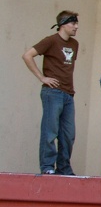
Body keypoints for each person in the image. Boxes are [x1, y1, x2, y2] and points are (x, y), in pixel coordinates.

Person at [22, 10, 80, 175]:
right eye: (73, 23)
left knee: (68, 134)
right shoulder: (51, 40)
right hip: (52, 93)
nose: (76, 27)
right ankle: (47, 166)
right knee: (50, 131)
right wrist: (42, 77)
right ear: (63, 24)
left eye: (77, 23)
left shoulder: (74, 44)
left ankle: (64, 168)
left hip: (68, 94)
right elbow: (27, 55)